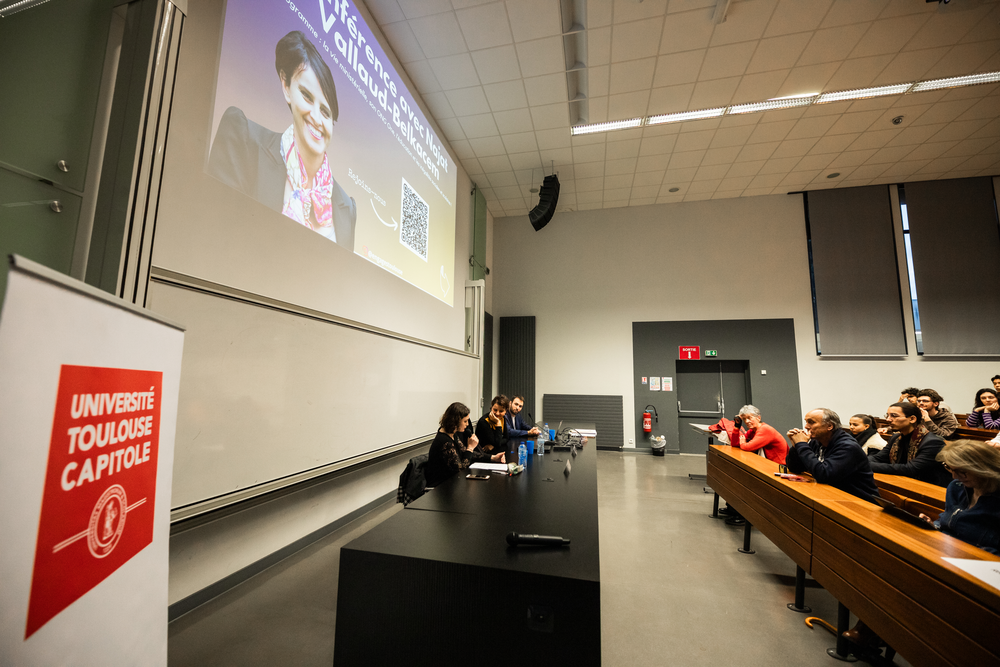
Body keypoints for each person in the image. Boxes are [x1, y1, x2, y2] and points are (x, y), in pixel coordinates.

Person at [208, 31, 357, 250]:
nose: (316, 118)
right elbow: (214, 236)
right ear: (286, 86)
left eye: (325, 111)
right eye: (307, 96)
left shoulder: (346, 206)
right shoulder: (244, 140)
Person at [920, 439, 1000, 554]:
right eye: (949, 468)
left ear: (984, 469)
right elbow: (949, 521)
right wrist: (935, 525)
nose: (954, 476)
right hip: (948, 551)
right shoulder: (957, 487)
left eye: (962, 471)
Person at [784, 408, 880, 503]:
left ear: (829, 426)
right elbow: (794, 468)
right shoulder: (817, 441)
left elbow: (823, 475)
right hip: (836, 495)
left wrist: (802, 445)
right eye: (806, 422)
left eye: (811, 422)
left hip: (860, 502)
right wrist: (796, 446)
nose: (806, 426)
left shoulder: (848, 446)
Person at [868, 402, 949, 486]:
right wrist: (864, 462)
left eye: (894, 416)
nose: (888, 419)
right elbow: (878, 458)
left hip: (928, 487)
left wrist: (866, 464)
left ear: (912, 419)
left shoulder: (933, 442)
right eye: (887, 415)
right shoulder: (895, 438)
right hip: (905, 482)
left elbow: (911, 469)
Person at [424, 402, 503, 488]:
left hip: (452, 484)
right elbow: (460, 470)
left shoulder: (452, 434)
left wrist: (492, 457)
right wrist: (470, 448)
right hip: (440, 488)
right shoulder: (445, 441)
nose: (467, 424)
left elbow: (465, 452)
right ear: (455, 421)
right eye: (465, 421)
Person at [475, 395, 510, 459]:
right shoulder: (484, 421)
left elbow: (506, 438)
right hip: (483, 455)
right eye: (495, 410)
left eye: (501, 411)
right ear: (491, 408)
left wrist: (493, 445)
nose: (497, 413)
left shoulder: (502, 418)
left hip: (495, 451)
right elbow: (497, 443)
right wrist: (498, 424)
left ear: (506, 411)